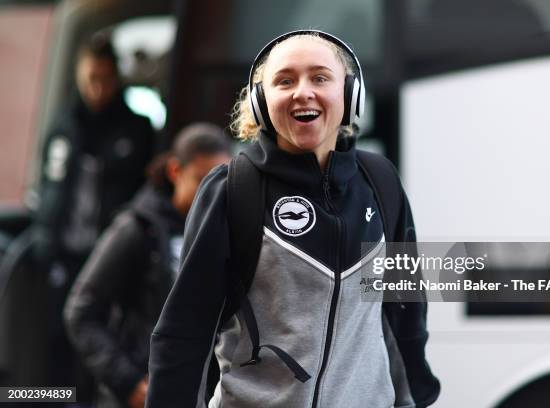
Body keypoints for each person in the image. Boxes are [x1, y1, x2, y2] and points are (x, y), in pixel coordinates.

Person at [146, 30, 440, 408]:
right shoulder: (233, 188)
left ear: (350, 95)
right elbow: (183, 333)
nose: (303, 91)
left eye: (320, 77)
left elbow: (405, 310)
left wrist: (419, 396)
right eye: (285, 80)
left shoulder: (380, 182)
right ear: (261, 101)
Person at [63, 123, 231, 408]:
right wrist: (129, 383)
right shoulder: (137, 227)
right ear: (175, 172)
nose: (213, 194)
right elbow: (81, 312)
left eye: (221, 184)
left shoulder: (224, 230)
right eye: (202, 180)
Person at [32, 33, 155, 402]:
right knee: (56, 339)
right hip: (62, 253)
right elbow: (48, 185)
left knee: (101, 342)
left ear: (116, 78)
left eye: (105, 79)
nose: (97, 88)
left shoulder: (136, 129)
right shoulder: (62, 125)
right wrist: (44, 237)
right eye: (90, 79)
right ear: (78, 75)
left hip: (108, 256)